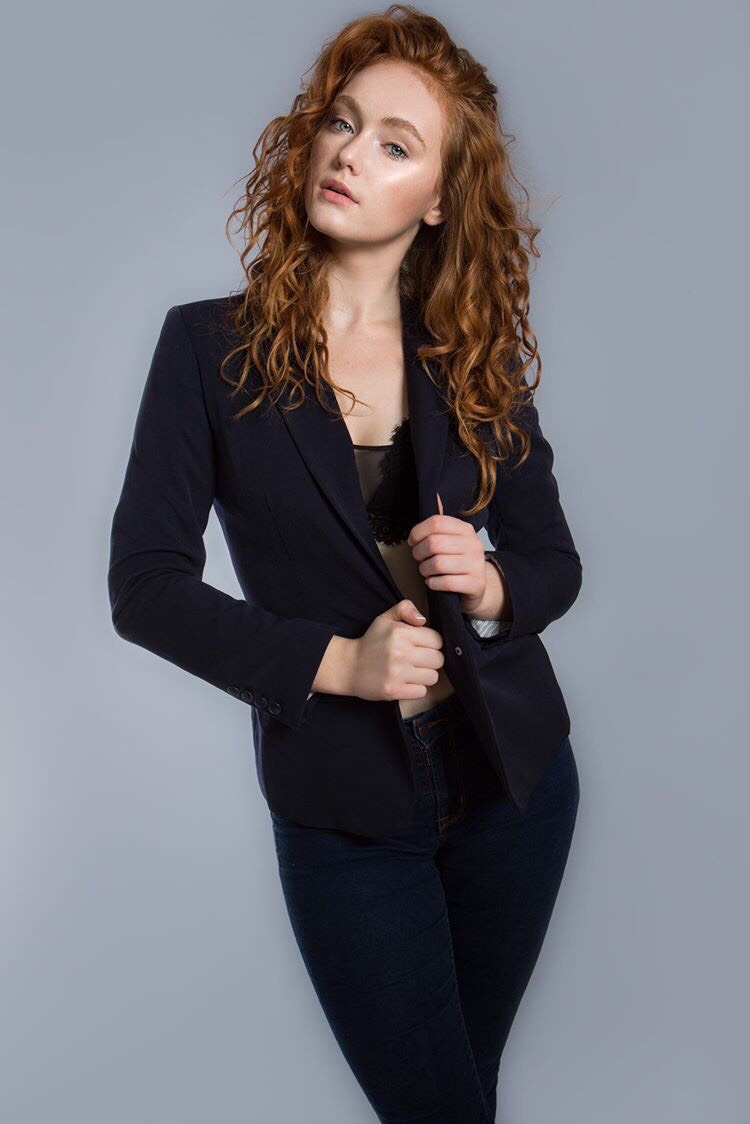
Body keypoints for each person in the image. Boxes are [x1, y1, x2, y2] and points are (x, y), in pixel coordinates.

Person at [108, 6, 583, 1121]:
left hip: (514, 782)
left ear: (440, 198)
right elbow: (146, 585)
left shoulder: (473, 358)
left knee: (463, 1099)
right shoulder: (206, 350)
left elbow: (553, 560)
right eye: (343, 121)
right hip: (343, 807)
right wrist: (340, 665)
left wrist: (494, 584)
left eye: (396, 144)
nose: (351, 153)